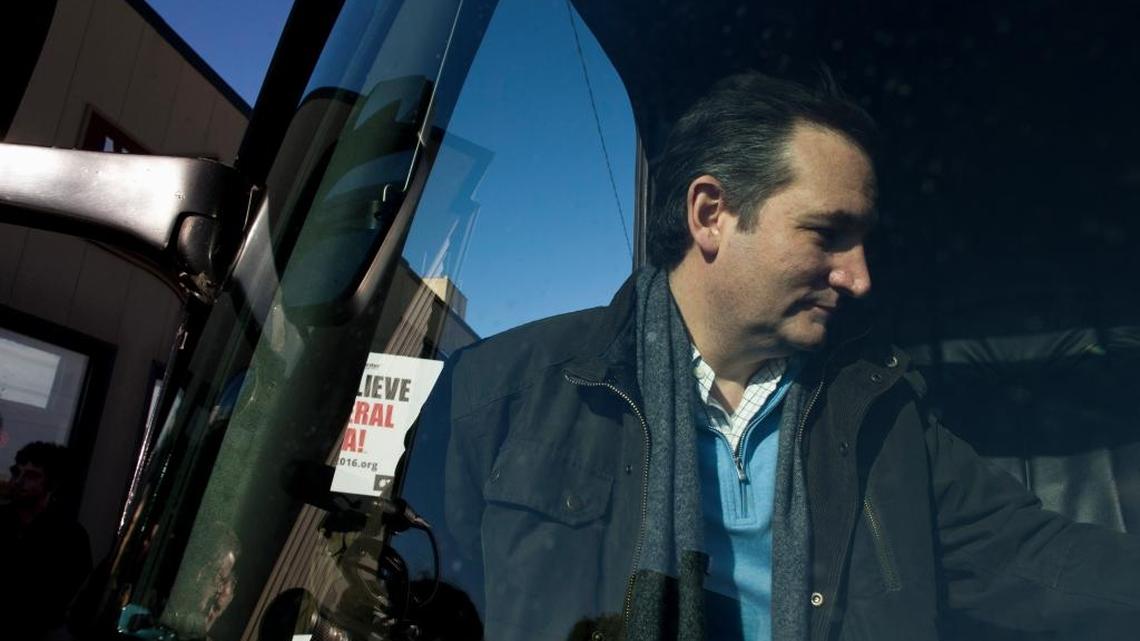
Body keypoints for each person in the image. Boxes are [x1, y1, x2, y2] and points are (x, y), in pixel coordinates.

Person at [397, 72, 1140, 641]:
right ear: (711, 214)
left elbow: (1033, 557)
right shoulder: (499, 394)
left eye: (863, 242)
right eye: (827, 234)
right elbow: (400, 597)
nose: (859, 277)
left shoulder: (881, 412)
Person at [0, 441, 92, 640]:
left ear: (52, 484)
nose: (19, 481)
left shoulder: (69, 537)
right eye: (17, 472)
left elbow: (57, 599)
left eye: (32, 476)